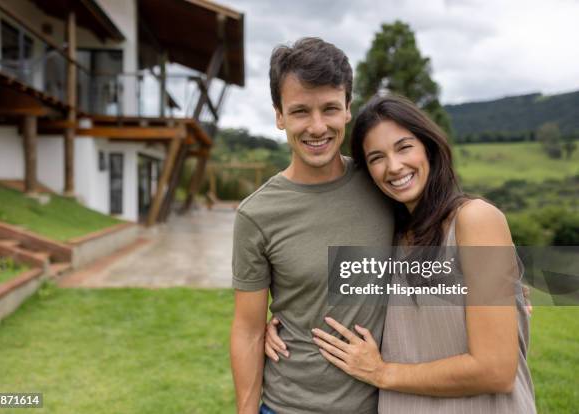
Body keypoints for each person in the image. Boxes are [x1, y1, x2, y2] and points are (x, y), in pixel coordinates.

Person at [265, 94, 537, 413]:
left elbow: (496, 370)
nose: (394, 167)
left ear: (429, 147)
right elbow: (324, 292)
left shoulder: (474, 219)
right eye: (376, 157)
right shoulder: (391, 238)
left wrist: (382, 372)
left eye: (404, 147)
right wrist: (281, 323)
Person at [230, 38, 394, 414]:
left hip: (381, 404)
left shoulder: (381, 183)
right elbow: (248, 330)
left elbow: (440, 239)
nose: (317, 127)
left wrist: (503, 278)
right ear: (279, 115)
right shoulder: (256, 215)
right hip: (287, 405)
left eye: (330, 109)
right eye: (301, 111)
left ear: (348, 110)